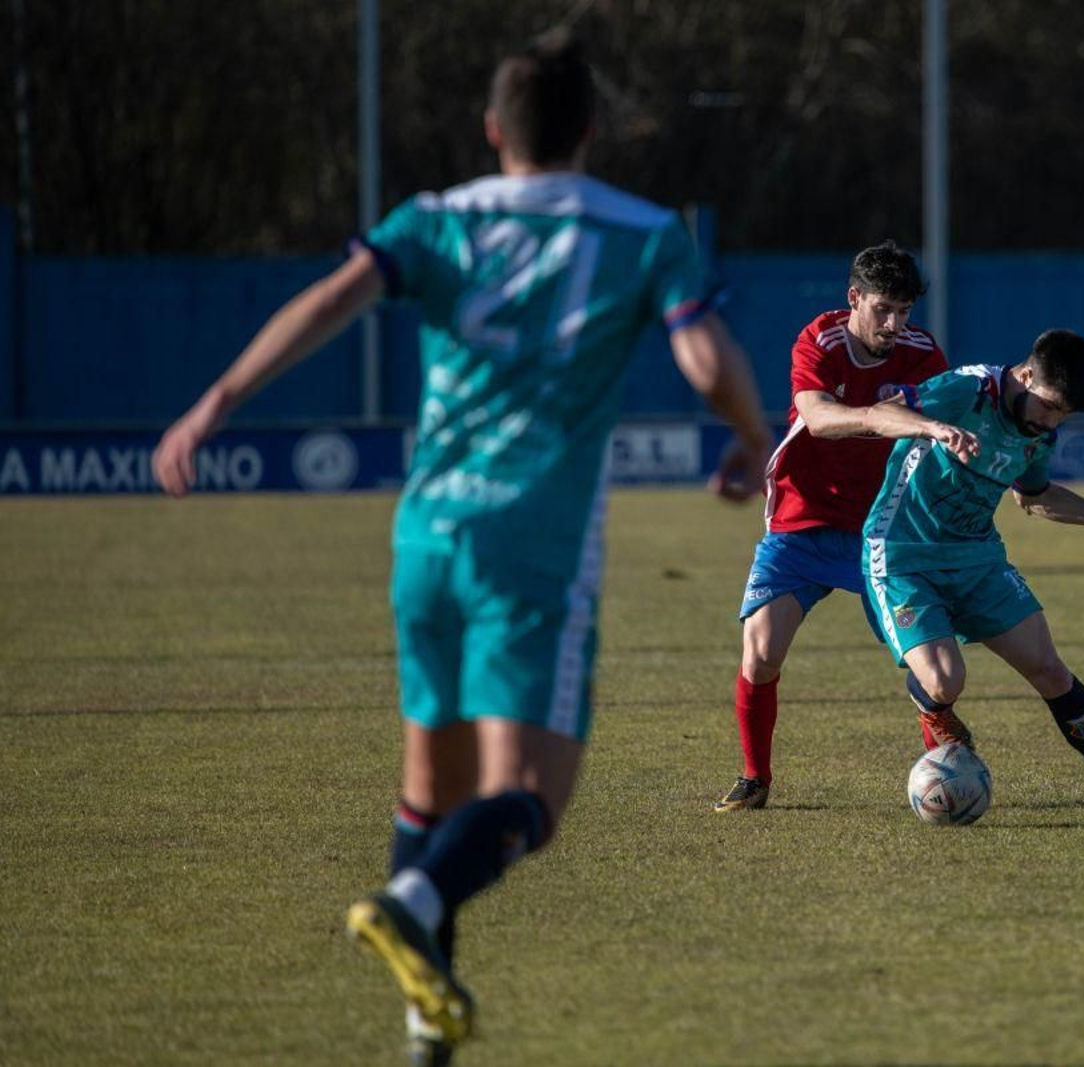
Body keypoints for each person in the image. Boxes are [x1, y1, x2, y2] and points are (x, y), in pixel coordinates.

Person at [152, 31, 773, 1064]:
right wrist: (754, 440)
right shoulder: (645, 231)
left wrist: (215, 400)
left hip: (424, 536)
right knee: (532, 799)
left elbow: (327, 302)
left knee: (426, 792)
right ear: (588, 130)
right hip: (531, 547)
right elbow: (703, 352)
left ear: (493, 131)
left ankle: (421, 1025)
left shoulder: (434, 219)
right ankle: (414, 897)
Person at [859, 329, 1084, 820]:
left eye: (1062, 415)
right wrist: (932, 428)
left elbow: (1034, 497)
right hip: (902, 553)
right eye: (1049, 407)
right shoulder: (966, 390)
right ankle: (934, 708)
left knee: (1050, 670)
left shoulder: (1038, 433)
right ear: (1026, 376)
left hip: (976, 558)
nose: (1051, 422)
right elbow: (878, 413)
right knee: (947, 680)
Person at [712, 241, 979, 813]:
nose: (895, 323)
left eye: (905, 311)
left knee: (926, 666)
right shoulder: (821, 340)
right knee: (760, 650)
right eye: (883, 309)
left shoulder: (919, 351)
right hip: (802, 517)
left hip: (882, 527)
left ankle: (948, 764)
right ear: (854, 298)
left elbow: (940, 427)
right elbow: (816, 416)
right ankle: (755, 778)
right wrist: (880, 418)